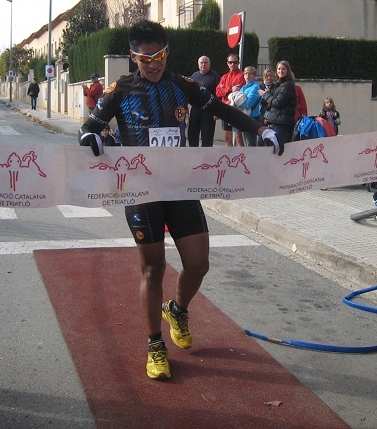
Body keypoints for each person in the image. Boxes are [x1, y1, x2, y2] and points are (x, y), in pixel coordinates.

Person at [78, 20, 283, 380]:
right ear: (133, 56)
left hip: (181, 187)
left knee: (198, 264)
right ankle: (155, 344)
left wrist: (261, 128)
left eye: (159, 55)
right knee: (153, 269)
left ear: (167, 53)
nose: (154, 64)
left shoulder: (180, 85)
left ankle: (178, 309)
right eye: (145, 58)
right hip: (142, 191)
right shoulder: (121, 89)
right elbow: (88, 126)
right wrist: (88, 138)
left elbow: (220, 109)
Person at [258, 60, 297, 144]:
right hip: (274, 121)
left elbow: (278, 102)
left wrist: (266, 94)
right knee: (263, 143)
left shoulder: (288, 85)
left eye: (283, 69)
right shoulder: (279, 84)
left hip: (282, 123)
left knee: (278, 147)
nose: (280, 71)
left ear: (288, 71)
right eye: (279, 69)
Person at [188, 56, 220, 147]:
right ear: (198, 64)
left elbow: (218, 95)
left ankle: (206, 159)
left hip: (208, 112)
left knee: (207, 138)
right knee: (192, 136)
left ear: (209, 64)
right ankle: (194, 157)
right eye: (201, 62)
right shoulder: (194, 75)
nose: (203, 64)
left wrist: (217, 112)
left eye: (205, 62)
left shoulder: (214, 77)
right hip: (195, 110)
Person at [215, 53, 245, 147]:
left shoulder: (242, 75)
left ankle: (242, 158)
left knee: (239, 138)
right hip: (225, 109)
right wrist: (229, 89)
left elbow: (239, 90)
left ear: (238, 63)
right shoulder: (224, 77)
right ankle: (229, 158)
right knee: (227, 138)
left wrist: (225, 89)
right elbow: (218, 92)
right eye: (230, 62)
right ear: (227, 63)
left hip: (237, 109)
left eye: (235, 62)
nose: (233, 64)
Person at [238, 66, 262, 147]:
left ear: (254, 76)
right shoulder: (244, 87)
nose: (247, 75)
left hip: (253, 117)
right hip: (245, 116)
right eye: (246, 73)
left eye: (250, 74)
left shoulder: (255, 87)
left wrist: (238, 102)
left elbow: (248, 103)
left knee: (250, 144)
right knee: (246, 143)